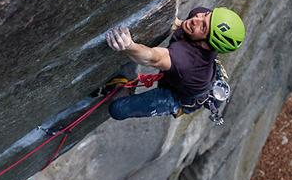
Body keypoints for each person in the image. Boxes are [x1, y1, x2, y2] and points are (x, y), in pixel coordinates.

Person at [105, 7, 245, 120]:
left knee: (118, 109)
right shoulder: (200, 16)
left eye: (203, 27)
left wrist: (129, 45)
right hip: (193, 77)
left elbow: (154, 58)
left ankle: (127, 82)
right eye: (205, 15)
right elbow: (177, 23)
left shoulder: (188, 62)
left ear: (207, 45)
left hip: (179, 96)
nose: (196, 19)